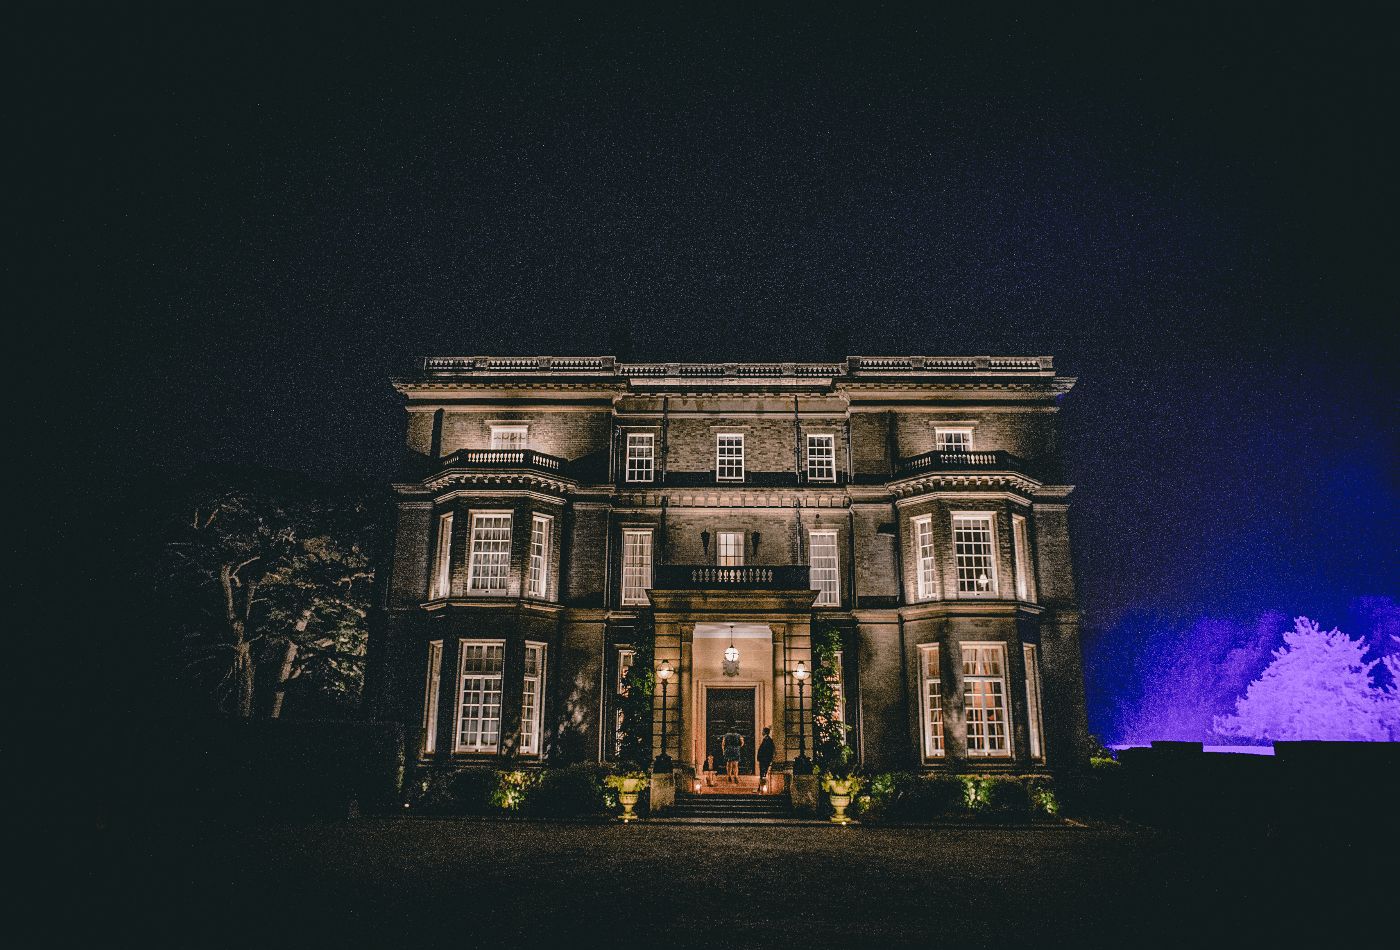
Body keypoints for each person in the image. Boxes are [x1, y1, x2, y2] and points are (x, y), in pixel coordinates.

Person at [756, 727, 775, 792]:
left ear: (765, 732)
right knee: (762, 773)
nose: (762, 732)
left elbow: (769, 751)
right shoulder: (766, 739)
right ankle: (760, 787)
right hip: (764, 759)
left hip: (764, 759)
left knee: (763, 773)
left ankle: (761, 788)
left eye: (763, 731)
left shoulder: (768, 740)